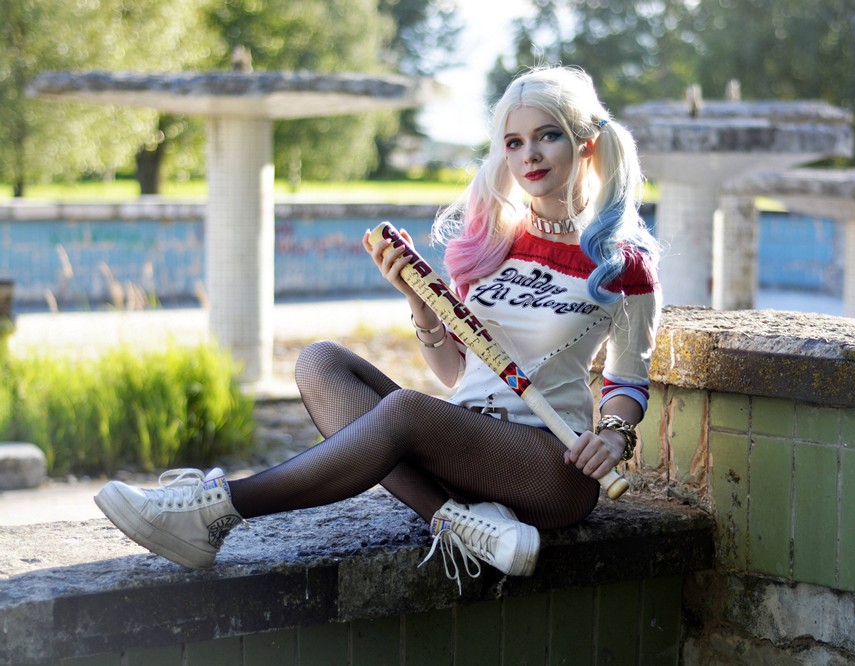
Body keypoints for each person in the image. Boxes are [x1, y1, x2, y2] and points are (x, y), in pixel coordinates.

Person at [94, 65, 662, 590]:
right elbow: (456, 373)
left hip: (551, 466)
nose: (528, 155)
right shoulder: (494, 243)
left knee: (405, 410)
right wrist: (420, 304)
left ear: (586, 144)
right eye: (513, 142)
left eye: (547, 136)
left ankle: (215, 511)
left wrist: (613, 436)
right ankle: (455, 520)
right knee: (321, 361)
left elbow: (628, 379)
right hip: (460, 447)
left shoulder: (622, 263)